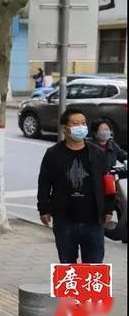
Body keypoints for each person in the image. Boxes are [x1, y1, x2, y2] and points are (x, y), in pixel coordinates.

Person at [37, 109, 115, 264]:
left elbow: (109, 183)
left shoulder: (97, 153)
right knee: (67, 266)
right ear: (65, 128)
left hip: (93, 221)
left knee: (93, 267)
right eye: (76, 123)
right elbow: (44, 183)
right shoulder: (53, 154)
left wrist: (109, 208)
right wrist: (44, 209)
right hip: (64, 220)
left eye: (83, 123)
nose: (81, 127)